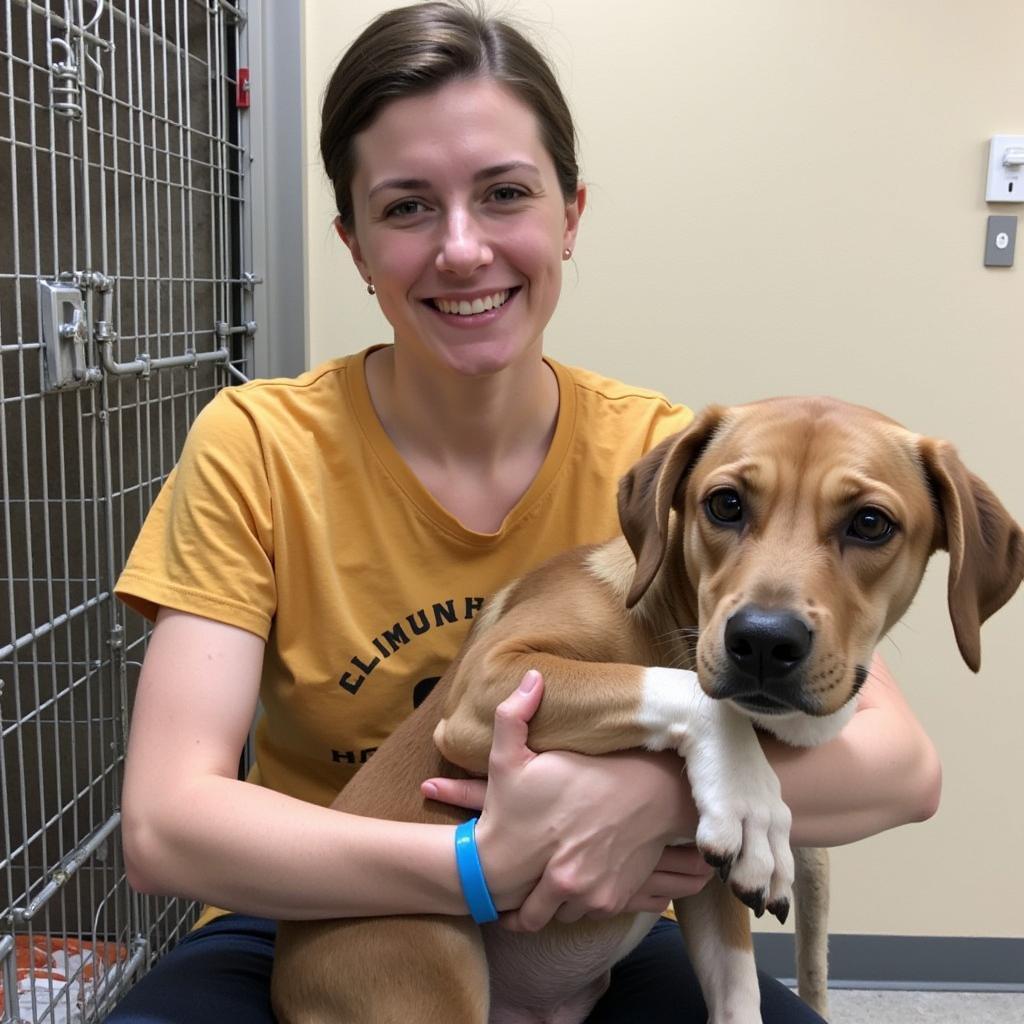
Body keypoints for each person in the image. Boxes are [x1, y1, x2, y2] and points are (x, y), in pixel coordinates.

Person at [108, 3, 941, 1021]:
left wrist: (649, 800)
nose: (462, 250)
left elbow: (899, 765)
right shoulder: (257, 443)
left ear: (569, 214)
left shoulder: (678, 461)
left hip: (609, 905)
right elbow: (162, 827)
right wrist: (479, 864)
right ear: (354, 243)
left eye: (504, 194)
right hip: (326, 893)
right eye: (406, 207)